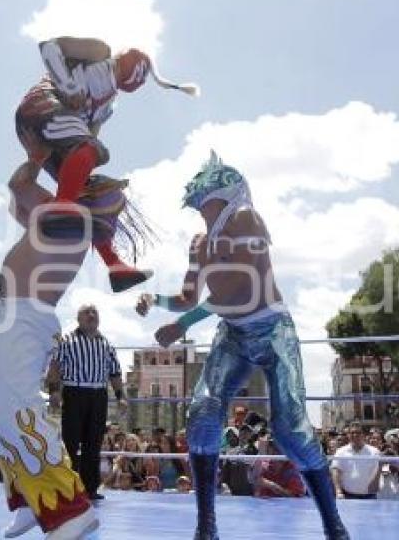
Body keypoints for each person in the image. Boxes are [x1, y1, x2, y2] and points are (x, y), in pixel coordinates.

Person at [136, 151, 349, 539]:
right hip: (233, 333)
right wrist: (156, 301)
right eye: (198, 207)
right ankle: (206, 527)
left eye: (207, 203)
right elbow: (188, 296)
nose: (202, 212)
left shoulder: (247, 219)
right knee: (202, 414)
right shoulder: (200, 243)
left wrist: (181, 323)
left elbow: (236, 286)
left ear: (229, 195)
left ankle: (334, 527)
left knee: (290, 431)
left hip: (272, 328)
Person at [0, 160, 124, 539]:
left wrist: (43, 149)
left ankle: (68, 509)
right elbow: (18, 201)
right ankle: (30, 500)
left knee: (14, 408)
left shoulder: (69, 219)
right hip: (19, 317)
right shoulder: (61, 222)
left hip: (23, 318)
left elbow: (18, 185)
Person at [16, 37, 197, 292]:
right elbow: (48, 47)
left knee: (97, 195)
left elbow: (86, 142)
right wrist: (67, 85)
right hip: (42, 105)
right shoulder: (98, 52)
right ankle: (63, 205)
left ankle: (114, 265)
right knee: (93, 150)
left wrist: (81, 181)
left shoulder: (107, 107)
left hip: (54, 133)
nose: (140, 79)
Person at [46, 303, 127, 501]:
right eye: (87, 312)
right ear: (78, 319)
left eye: (94, 312)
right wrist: (55, 391)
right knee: (70, 441)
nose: (91, 315)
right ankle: (68, 487)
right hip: (74, 392)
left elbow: (115, 372)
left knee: (94, 443)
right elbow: (55, 367)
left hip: (99, 395)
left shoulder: (106, 344)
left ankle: (90, 489)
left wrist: (121, 396)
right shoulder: (67, 341)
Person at [331, 424, 381, 500]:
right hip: (347, 496)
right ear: (348, 435)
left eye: (358, 432)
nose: (355, 435)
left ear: (363, 435)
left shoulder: (375, 452)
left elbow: (378, 473)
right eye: (352, 433)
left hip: (369, 496)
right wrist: (338, 491)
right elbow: (336, 472)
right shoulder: (340, 452)